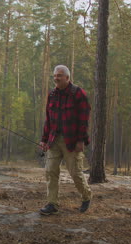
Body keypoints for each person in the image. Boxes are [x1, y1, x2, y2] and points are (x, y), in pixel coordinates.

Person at [39, 65, 92, 215]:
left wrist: (81, 140)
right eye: (55, 75)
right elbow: (48, 119)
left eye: (60, 75)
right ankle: (52, 204)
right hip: (53, 140)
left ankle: (86, 196)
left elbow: (84, 120)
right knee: (50, 171)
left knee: (75, 173)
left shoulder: (78, 94)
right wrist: (44, 139)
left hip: (73, 141)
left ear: (67, 78)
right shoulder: (52, 95)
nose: (56, 78)